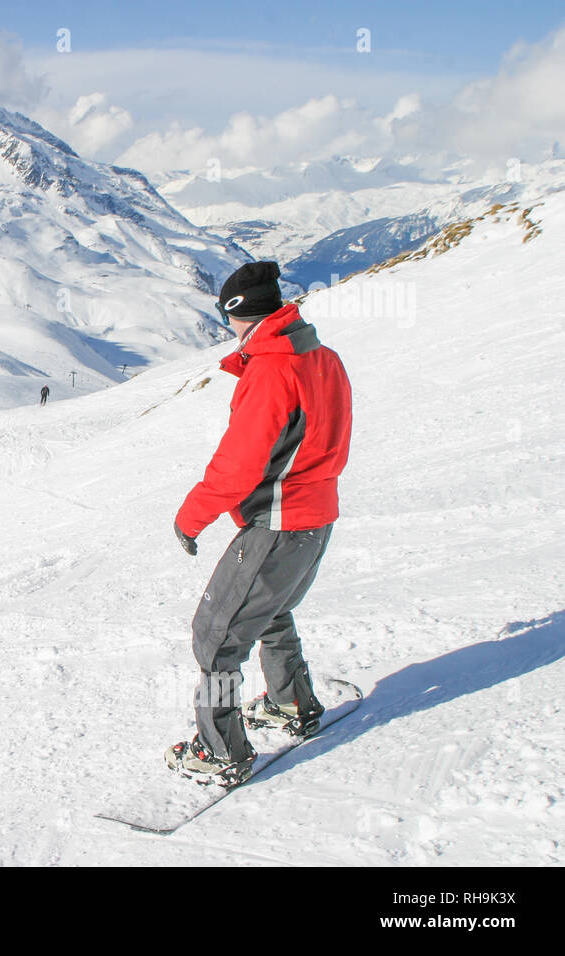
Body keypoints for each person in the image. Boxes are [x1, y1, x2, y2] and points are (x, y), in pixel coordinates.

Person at [166, 261, 352, 784]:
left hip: (280, 521)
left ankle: (220, 749)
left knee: (216, 636)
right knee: (268, 610)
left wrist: (191, 517)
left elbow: (240, 464)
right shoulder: (322, 357)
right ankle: (290, 702)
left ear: (237, 312)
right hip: (316, 514)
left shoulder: (272, 369)